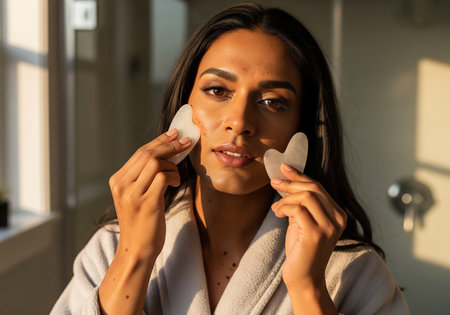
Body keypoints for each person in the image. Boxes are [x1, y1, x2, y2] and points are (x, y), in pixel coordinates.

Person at [51, 3, 409, 314]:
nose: (239, 122)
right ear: (184, 107)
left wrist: (308, 289)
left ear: (303, 129)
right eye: (217, 90)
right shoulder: (112, 248)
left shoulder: (353, 272)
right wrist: (134, 258)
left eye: (273, 102)